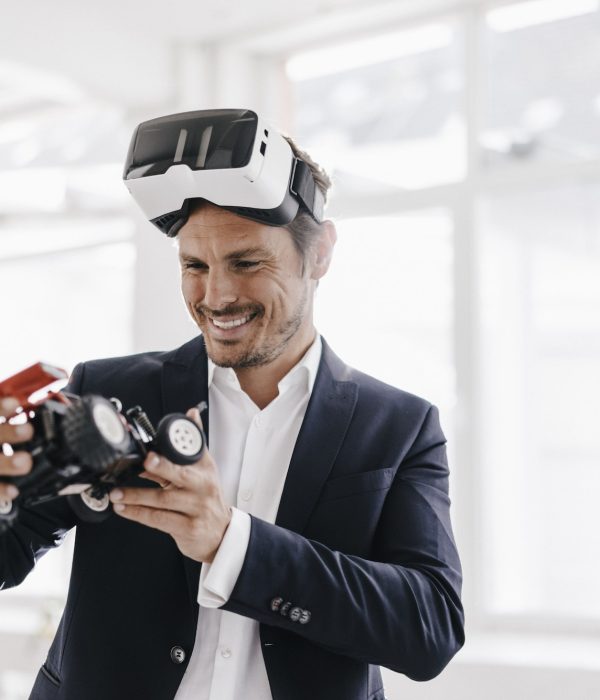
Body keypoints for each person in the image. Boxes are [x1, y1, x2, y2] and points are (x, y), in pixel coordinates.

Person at [0, 109, 464, 700]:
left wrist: (230, 543)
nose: (216, 296)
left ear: (319, 253)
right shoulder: (109, 391)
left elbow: (430, 629)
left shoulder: (400, 427)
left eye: (246, 263)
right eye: (194, 265)